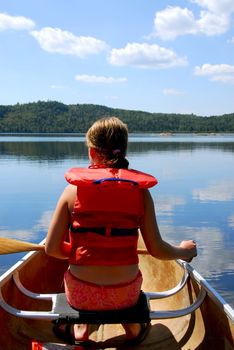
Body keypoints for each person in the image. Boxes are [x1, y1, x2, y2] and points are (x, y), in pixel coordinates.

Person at [45, 116, 197, 345]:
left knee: (73, 277)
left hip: (81, 296)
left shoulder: (72, 191)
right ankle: (133, 329)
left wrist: (77, 251)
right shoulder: (140, 192)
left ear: (91, 153)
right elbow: (157, 249)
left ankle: (81, 328)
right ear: (124, 150)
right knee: (129, 289)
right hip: (126, 296)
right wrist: (183, 251)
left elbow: (51, 248)